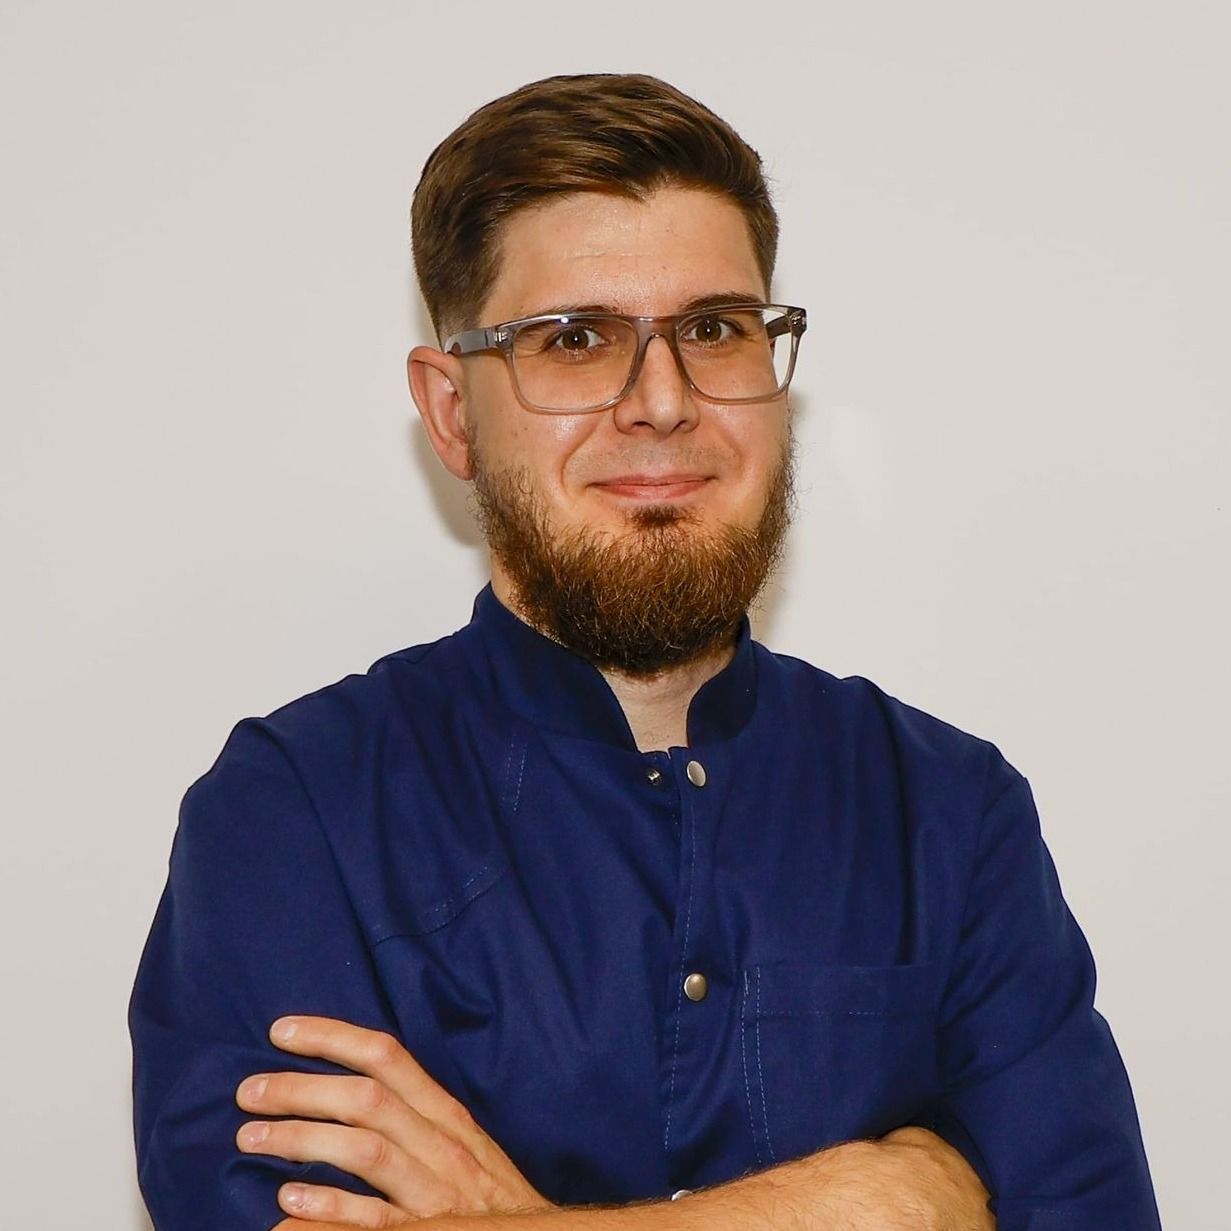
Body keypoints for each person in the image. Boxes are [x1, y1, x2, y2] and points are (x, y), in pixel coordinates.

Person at [129, 73, 1161, 1231]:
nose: (662, 401)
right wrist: (877, 1196)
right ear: (453, 411)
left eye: (714, 329)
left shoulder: (951, 813)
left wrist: (512, 1221)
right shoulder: (296, 814)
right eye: (576, 340)